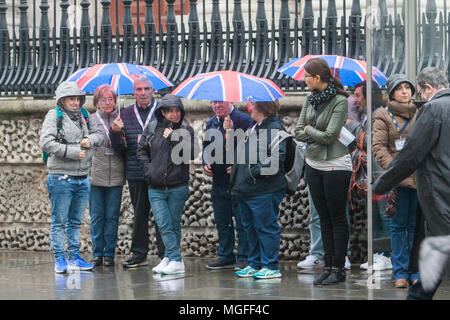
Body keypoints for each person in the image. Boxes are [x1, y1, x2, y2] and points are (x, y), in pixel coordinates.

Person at [373, 66, 450, 299]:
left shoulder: (433, 109)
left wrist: (380, 185)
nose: (419, 98)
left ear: (427, 88)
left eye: (419, 92)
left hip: (439, 193)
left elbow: (410, 155)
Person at [294, 58, 352, 285]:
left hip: (336, 163)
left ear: (317, 78)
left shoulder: (340, 101)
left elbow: (331, 136)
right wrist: (311, 131)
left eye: (307, 76)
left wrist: (310, 130)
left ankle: (339, 268)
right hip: (314, 163)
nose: (304, 79)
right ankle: (327, 266)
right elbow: (298, 131)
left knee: (337, 217)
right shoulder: (309, 100)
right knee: (323, 218)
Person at [40, 81, 104, 273]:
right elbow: (46, 143)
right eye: (71, 99)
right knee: (59, 221)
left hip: (82, 176)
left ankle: (74, 257)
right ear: (62, 100)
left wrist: (90, 139)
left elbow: (100, 135)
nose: (76, 102)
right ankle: (60, 259)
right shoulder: (54, 115)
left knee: (75, 221)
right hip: (60, 177)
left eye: (78, 99)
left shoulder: (84, 115)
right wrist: (73, 151)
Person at [110, 76, 164, 268]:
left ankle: (165, 254)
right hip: (135, 172)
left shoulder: (163, 112)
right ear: (134, 93)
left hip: (159, 171)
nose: (142, 93)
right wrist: (115, 132)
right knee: (139, 214)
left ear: (153, 91)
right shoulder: (124, 114)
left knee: (162, 215)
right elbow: (119, 149)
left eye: (146, 89)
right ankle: (139, 253)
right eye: (139, 90)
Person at [136, 94, 194, 275]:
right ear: (162, 112)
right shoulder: (152, 127)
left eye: (177, 110)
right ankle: (172, 257)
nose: (174, 114)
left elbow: (189, 154)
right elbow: (141, 151)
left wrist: (174, 138)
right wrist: (148, 169)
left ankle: (173, 258)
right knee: (163, 223)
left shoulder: (186, 130)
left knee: (173, 224)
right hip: (155, 187)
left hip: (177, 186)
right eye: (170, 111)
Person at [231, 100, 287, 279]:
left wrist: (252, 172)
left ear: (262, 108)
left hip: (263, 189)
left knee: (265, 227)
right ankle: (254, 263)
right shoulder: (254, 127)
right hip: (247, 188)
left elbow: (277, 159)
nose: (249, 108)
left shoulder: (275, 129)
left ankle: (270, 265)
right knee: (250, 227)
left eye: (253, 104)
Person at [372, 74, 418, 288]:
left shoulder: (420, 112)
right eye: (400, 88)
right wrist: (396, 171)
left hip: (420, 177)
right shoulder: (383, 115)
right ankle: (400, 271)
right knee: (398, 226)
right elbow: (379, 147)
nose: (405, 92)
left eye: (408, 87)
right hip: (397, 177)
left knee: (417, 226)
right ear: (391, 93)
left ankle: (416, 270)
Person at [203, 100, 254, 271]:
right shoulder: (211, 123)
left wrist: (238, 163)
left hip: (238, 182)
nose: (217, 106)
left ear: (230, 101)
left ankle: (244, 256)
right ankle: (226, 255)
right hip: (218, 180)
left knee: (241, 221)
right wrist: (205, 163)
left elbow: (250, 149)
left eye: (221, 102)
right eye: (214, 102)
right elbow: (206, 148)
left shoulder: (244, 120)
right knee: (222, 220)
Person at [347, 81, 393, 271]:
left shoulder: (377, 115)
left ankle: (387, 255)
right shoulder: (368, 116)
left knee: (385, 216)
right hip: (372, 176)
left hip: (380, 174)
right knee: (376, 218)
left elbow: (369, 142)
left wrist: (353, 127)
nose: (355, 100)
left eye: (358, 95)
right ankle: (379, 254)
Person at [89, 84, 125, 267]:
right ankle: (97, 252)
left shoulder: (120, 119)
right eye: (103, 99)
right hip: (96, 173)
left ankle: (109, 253)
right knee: (97, 216)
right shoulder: (91, 120)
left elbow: (125, 146)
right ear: (96, 102)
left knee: (112, 216)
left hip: (117, 174)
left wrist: (119, 131)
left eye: (111, 99)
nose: (108, 102)